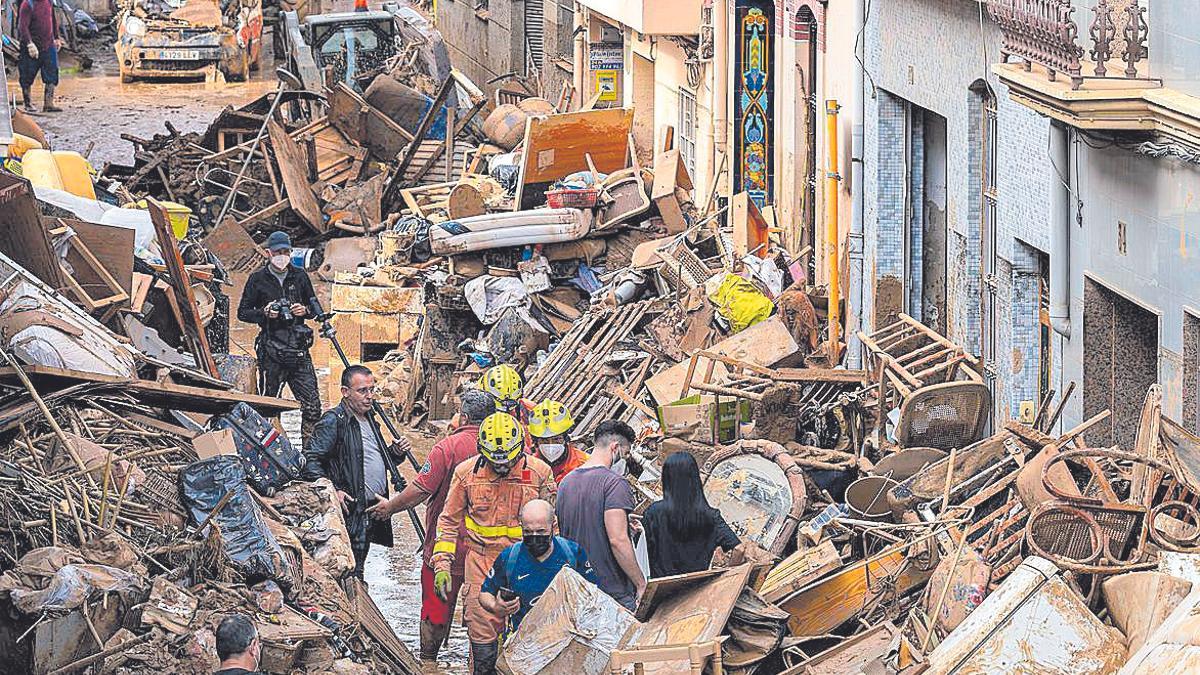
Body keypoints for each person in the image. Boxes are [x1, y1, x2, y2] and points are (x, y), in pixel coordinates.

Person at [367, 388, 496, 662]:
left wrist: (390, 508)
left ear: (463, 417)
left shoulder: (447, 447)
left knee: (436, 610)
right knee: (485, 617)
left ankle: (427, 663)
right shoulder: (505, 448)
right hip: (488, 551)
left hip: (445, 549)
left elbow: (420, 490)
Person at [431, 412, 556, 675]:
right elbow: (449, 522)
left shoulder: (539, 473)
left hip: (527, 563)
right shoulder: (466, 474)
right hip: (481, 563)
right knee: (483, 646)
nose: (501, 468)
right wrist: (442, 565)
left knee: (532, 641)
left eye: (507, 462)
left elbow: (554, 529)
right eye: (495, 462)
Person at [303, 365, 409, 577]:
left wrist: (395, 453)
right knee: (347, 570)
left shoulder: (370, 419)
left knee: (359, 567)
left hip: (371, 510)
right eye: (362, 391)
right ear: (345, 392)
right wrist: (332, 490)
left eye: (372, 390)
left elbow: (371, 459)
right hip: (349, 511)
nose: (369, 396)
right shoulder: (334, 421)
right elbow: (310, 461)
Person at [237, 231, 322, 444]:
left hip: (299, 350)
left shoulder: (300, 276)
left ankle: (310, 456)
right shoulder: (257, 279)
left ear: (291, 252)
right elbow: (242, 312)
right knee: (268, 407)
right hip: (271, 350)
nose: (282, 256)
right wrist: (264, 313)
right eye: (277, 252)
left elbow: (315, 307)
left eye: (285, 251)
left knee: (312, 406)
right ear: (268, 253)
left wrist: (305, 311)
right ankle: (273, 451)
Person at [555, 420, 645, 610]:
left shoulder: (566, 483)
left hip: (577, 589)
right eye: (626, 453)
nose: (626, 459)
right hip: (612, 593)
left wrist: (622, 519)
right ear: (615, 448)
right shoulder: (614, 483)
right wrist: (640, 583)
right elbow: (618, 540)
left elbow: (576, 525)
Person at [479, 499, 594, 640]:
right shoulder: (510, 557)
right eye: (528, 532)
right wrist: (497, 606)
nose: (534, 538)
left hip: (567, 641)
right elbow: (485, 594)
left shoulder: (572, 553)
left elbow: (593, 596)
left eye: (541, 531)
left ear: (553, 525)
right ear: (521, 527)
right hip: (523, 642)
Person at [643, 452, 742, 578]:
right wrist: (727, 579)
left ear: (667, 479)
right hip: (695, 590)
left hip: (660, 589)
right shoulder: (711, 516)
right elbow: (739, 549)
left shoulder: (653, 512)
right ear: (695, 478)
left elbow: (640, 550)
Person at [527, 399, 589, 484]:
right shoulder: (527, 468)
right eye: (544, 441)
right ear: (536, 442)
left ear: (566, 438)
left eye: (556, 439)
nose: (550, 445)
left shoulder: (585, 464)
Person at [17, 0, 62, 113]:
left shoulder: (48, 2)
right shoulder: (28, 4)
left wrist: (56, 37)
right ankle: (27, 103)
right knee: (27, 74)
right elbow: (23, 27)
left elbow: (53, 20)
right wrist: (29, 44)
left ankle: (48, 104)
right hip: (32, 45)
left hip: (48, 44)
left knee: (52, 72)